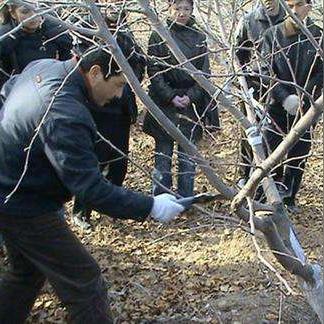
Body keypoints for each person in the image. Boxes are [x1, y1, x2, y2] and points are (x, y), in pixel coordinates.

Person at [0, 39, 185, 323]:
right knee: (86, 283)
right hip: (23, 204)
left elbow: (7, 91)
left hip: (12, 189)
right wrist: (151, 206)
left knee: (26, 273)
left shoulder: (46, 66)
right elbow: (91, 189)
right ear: (96, 72)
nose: (119, 95)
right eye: (120, 84)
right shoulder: (63, 113)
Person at [72, 0, 146, 229]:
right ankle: (81, 212)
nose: (113, 9)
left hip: (119, 111)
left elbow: (139, 61)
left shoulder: (125, 33)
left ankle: (113, 205)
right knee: (92, 160)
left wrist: (126, 78)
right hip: (95, 110)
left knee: (118, 161)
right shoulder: (84, 28)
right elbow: (82, 63)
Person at [143, 0, 212, 197]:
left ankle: (186, 198)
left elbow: (204, 73)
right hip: (164, 103)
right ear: (169, 9)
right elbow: (154, 71)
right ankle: (161, 198)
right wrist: (171, 96)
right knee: (163, 155)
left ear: (192, 10)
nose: (182, 13)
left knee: (187, 156)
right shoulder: (158, 35)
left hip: (191, 104)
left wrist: (190, 97)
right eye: (177, 8)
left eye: (186, 9)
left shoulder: (199, 36)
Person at [260, 0, 323, 212]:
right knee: (271, 150)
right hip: (277, 107)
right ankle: (265, 195)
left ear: (309, 6)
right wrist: (284, 97)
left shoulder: (318, 36)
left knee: (299, 153)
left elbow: (321, 73)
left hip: (307, 109)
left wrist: (304, 97)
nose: (294, 10)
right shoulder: (273, 34)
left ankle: (289, 197)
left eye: (299, 5)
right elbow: (265, 70)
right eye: (289, 5)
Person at [235, 0, 286, 188]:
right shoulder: (249, 20)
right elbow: (238, 54)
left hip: (281, 85)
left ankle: (275, 176)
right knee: (250, 131)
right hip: (254, 85)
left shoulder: (289, 17)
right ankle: (245, 173)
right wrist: (242, 82)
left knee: (277, 131)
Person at [0, 3, 73, 88]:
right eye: (25, 11)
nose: (34, 15)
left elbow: (68, 67)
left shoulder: (55, 30)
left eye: (39, 9)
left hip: (53, 86)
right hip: (17, 90)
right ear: (13, 14)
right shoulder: (5, 37)